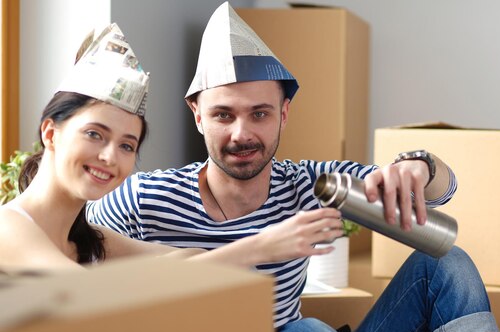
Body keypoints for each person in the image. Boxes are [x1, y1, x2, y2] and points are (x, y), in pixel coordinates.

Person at [88, 2, 500, 332]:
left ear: (284, 114)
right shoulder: (144, 200)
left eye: (260, 114)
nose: (241, 133)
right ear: (197, 115)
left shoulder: (311, 185)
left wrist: (419, 166)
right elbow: (73, 264)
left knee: (440, 267)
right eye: (223, 115)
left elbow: (442, 191)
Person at [0, 23, 343, 273]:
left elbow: (180, 260)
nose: (109, 157)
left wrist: (256, 247)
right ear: (50, 132)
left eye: (127, 145)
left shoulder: (92, 240)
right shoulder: (10, 228)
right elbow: (86, 298)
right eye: (94, 134)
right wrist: (257, 248)